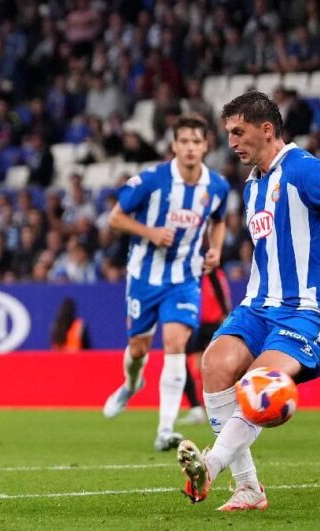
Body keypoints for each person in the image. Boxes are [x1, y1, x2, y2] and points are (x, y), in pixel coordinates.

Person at [177, 91, 320, 511]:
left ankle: (210, 466)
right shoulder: (254, 184)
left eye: (239, 132)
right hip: (259, 305)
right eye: (228, 133)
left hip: (305, 311)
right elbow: (295, 252)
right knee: (214, 363)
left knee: (259, 382)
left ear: (266, 129)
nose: (231, 142)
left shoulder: (303, 169)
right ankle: (248, 488)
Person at [102, 114, 230, 452]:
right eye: (183, 141)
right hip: (144, 277)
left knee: (175, 346)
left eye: (196, 141)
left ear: (205, 146)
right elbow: (115, 217)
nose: (189, 148)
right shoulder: (151, 180)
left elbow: (218, 221)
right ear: (174, 145)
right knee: (138, 350)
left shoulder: (217, 185)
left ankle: (165, 429)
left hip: (185, 279)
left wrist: (215, 249)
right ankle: (132, 384)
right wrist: (150, 232)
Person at [178, 267, 233, 426]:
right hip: (201, 324)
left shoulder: (214, 273)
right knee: (195, 367)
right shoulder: (202, 273)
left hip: (213, 323)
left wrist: (224, 313)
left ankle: (220, 405)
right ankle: (199, 407)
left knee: (213, 366)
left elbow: (221, 294)